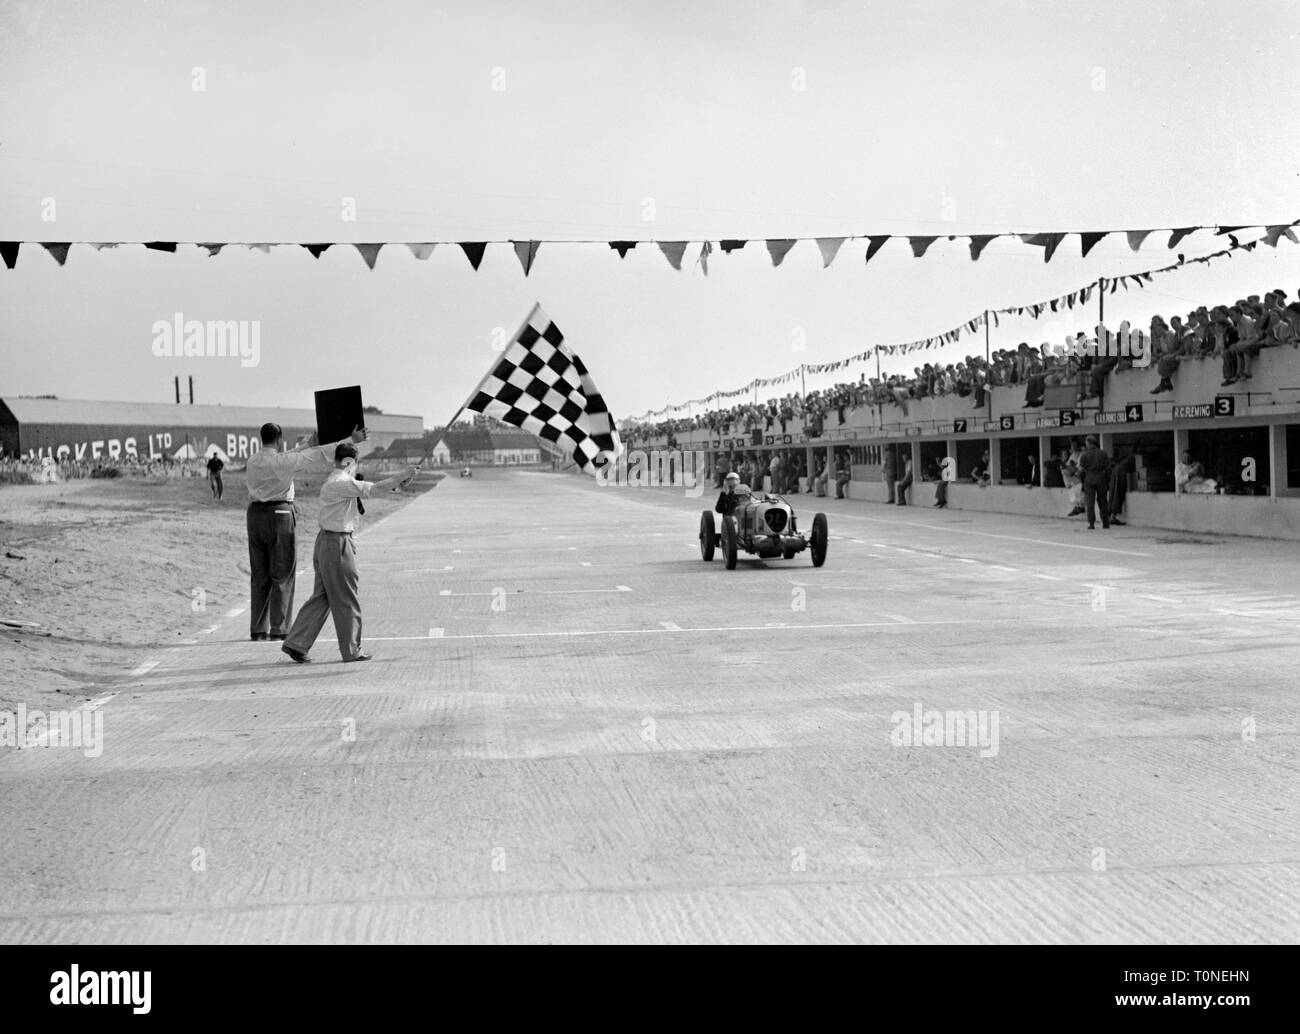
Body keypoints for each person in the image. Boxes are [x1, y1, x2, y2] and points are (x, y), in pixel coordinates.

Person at [281, 444, 418, 664]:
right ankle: (351, 650)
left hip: (327, 542)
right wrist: (403, 474)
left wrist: (399, 482)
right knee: (346, 597)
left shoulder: (337, 482)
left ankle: (297, 642)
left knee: (323, 596)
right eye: (355, 463)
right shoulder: (340, 483)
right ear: (348, 462)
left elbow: (375, 489)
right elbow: (373, 489)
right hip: (337, 543)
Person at [246, 421, 368, 642]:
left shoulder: (253, 461)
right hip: (279, 514)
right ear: (280, 439)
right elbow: (317, 456)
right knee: (282, 571)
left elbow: (290, 456)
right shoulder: (283, 461)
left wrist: (306, 444)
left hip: (254, 516)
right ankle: (279, 628)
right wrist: (351, 441)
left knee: (259, 573)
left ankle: (258, 628)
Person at [1077, 434, 1112, 529]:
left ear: (1088, 443)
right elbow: (1108, 469)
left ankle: (1091, 523)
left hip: (1089, 478)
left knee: (1090, 501)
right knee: (1103, 500)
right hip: (1101, 478)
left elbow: (1080, 471)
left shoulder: (1084, 455)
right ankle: (1105, 522)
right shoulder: (1103, 453)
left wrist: (1082, 480)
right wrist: (1107, 480)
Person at [1109, 451, 1135, 526]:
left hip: (1117, 470)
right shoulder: (1131, 459)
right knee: (1118, 492)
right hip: (1121, 471)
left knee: (1113, 492)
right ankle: (1113, 517)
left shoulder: (1124, 460)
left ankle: (1110, 516)